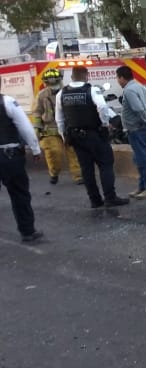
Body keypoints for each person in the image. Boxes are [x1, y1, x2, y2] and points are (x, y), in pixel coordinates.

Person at [55, 67, 129, 208]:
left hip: (75, 137)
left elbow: (59, 119)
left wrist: (64, 136)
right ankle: (110, 198)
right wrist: (105, 123)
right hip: (95, 134)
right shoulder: (92, 90)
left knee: (86, 169)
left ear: (72, 77)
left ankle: (95, 200)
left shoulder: (61, 94)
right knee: (105, 165)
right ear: (86, 76)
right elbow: (102, 107)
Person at [0, 92, 44, 243]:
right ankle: (27, 231)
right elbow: (25, 127)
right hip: (9, 155)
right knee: (19, 194)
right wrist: (35, 149)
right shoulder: (7, 102)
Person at [31, 68, 84, 186]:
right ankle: (54, 172)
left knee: (74, 152)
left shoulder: (67, 92)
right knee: (54, 152)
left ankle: (78, 176)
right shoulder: (42, 95)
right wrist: (37, 128)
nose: (53, 86)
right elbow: (37, 112)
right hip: (50, 130)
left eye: (55, 82)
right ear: (46, 83)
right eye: (50, 83)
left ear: (60, 80)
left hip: (68, 128)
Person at [116, 66, 146, 198]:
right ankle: (142, 187)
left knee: (143, 160)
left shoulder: (129, 90)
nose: (118, 81)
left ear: (122, 77)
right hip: (142, 129)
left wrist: (145, 122)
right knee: (139, 160)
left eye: (118, 78)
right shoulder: (140, 86)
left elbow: (139, 109)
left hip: (137, 130)